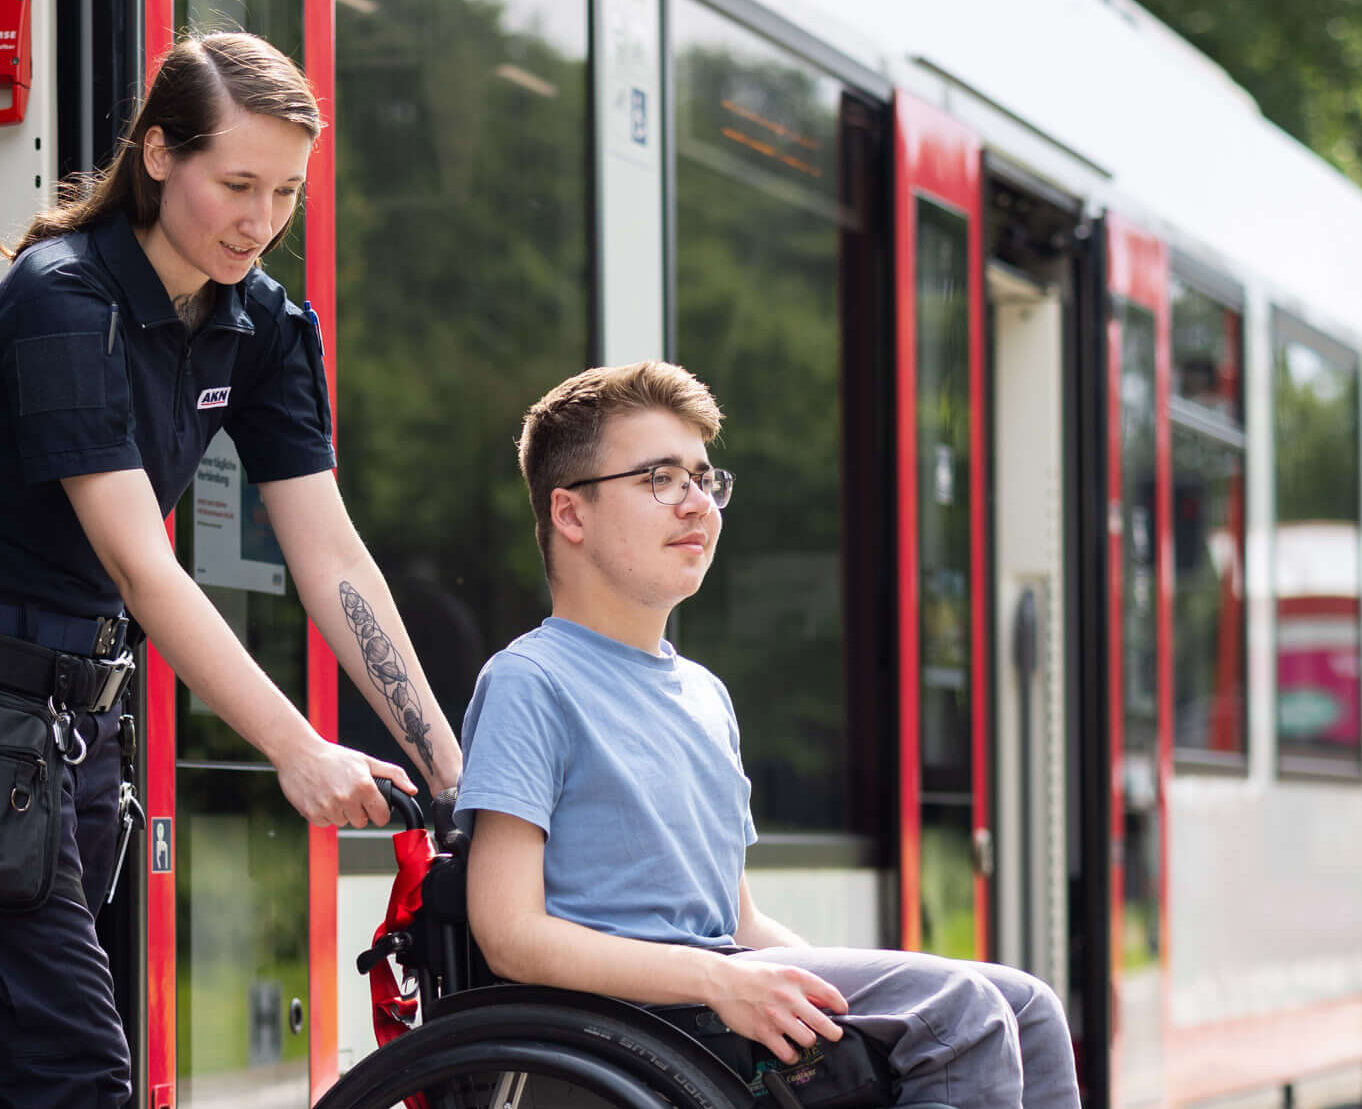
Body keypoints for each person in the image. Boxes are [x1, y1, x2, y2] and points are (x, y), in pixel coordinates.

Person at [0, 31, 468, 1108]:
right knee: (77, 1071)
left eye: (286, 191)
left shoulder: (266, 325)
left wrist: (455, 771)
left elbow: (330, 553)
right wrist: (294, 745)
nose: (260, 220)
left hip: (85, 722)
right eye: (236, 183)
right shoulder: (64, 299)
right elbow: (144, 569)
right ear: (155, 155)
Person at [458, 362, 1080, 1109]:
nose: (698, 504)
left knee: (1024, 1008)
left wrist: (827, 991)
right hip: (624, 1029)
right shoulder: (532, 681)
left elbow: (739, 922)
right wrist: (722, 980)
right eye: (661, 478)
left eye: (704, 478)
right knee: (962, 1015)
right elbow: (509, 934)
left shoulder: (704, 695)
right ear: (571, 514)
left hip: (705, 1009)